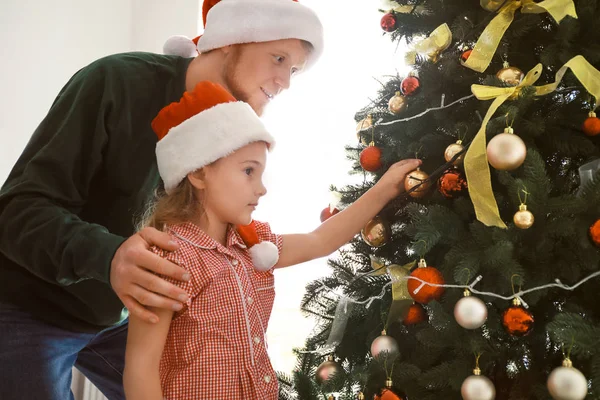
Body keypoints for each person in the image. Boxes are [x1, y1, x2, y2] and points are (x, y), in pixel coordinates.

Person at [0, 1, 323, 399]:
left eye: (294, 69)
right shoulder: (114, 82)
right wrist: (111, 256)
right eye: (278, 58)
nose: (285, 82)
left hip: (125, 314)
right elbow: (16, 211)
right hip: (29, 306)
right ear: (230, 39)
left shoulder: (235, 132)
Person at [122, 81, 421, 400]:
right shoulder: (167, 257)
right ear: (198, 174)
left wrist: (386, 189)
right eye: (249, 171)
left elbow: (320, 240)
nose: (261, 188)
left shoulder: (254, 245)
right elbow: (141, 366)